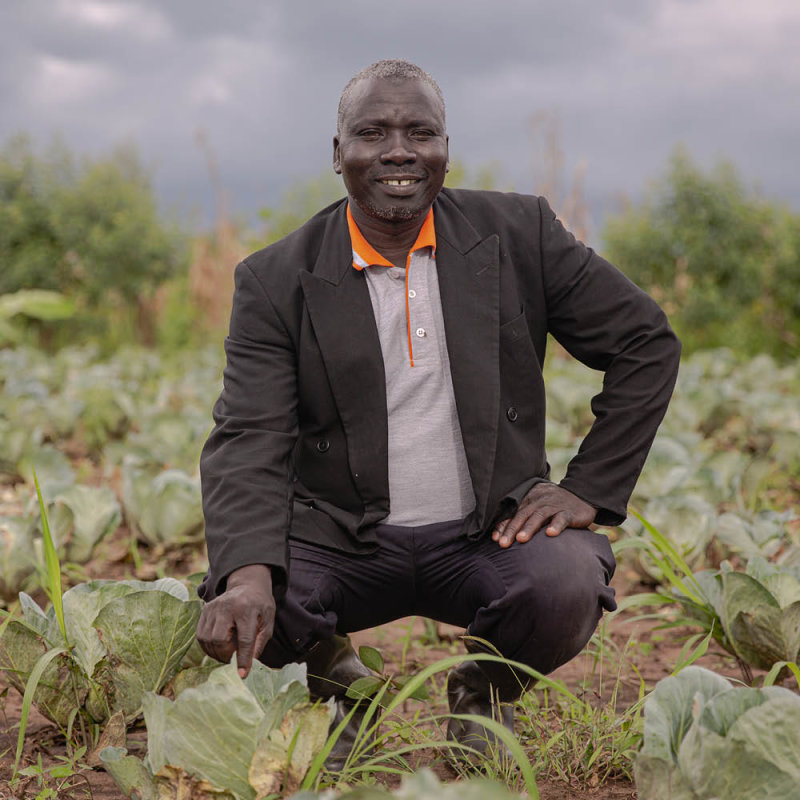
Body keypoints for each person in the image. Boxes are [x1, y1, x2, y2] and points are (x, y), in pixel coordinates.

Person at [196, 59, 681, 765]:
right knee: (252, 587)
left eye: (420, 132)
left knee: (567, 582)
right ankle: (335, 684)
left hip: (486, 533)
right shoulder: (277, 280)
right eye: (372, 133)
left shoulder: (521, 234)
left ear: (444, 150)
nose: (398, 150)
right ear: (339, 155)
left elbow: (644, 341)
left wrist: (586, 488)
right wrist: (244, 574)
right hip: (343, 539)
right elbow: (249, 434)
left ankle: (483, 689)